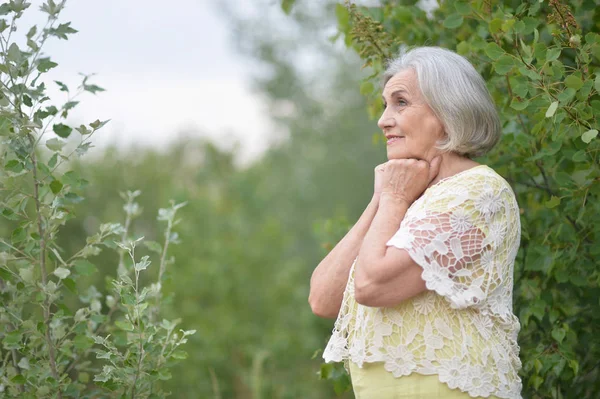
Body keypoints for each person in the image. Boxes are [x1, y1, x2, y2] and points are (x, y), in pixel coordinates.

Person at [309, 47, 522, 398]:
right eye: (384, 104)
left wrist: (392, 199)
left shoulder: (480, 194)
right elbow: (323, 299)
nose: (383, 119)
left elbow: (371, 287)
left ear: (447, 112)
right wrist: (383, 198)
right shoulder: (406, 198)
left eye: (401, 102)